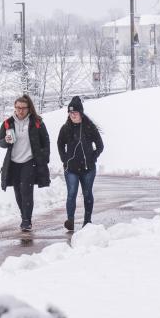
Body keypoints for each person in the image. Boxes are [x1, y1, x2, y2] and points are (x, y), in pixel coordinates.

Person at [0, 94, 51, 233]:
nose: (20, 111)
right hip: (13, 162)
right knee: (18, 192)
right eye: (17, 108)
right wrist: (6, 141)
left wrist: (44, 158)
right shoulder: (8, 123)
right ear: (14, 108)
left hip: (29, 161)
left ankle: (27, 220)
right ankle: (23, 215)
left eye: (23, 108)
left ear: (28, 109)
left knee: (26, 190)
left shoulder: (36, 122)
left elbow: (46, 141)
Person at [57, 95, 104, 231]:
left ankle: (87, 221)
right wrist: (64, 159)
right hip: (71, 169)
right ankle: (70, 220)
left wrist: (93, 157)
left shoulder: (89, 127)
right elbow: (60, 144)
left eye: (75, 112)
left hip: (88, 168)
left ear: (81, 112)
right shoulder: (65, 128)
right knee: (71, 193)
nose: (73, 115)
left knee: (87, 193)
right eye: (70, 113)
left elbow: (100, 145)